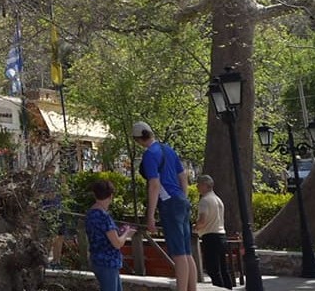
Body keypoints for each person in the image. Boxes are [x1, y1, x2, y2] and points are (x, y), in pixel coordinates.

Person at [135, 121, 196, 291]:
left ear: (138, 139)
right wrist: (182, 197)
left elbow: (154, 184)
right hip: (181, 201)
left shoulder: (149, 155)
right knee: (187, 252)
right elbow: (183, 176)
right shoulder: (168, 149)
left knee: (179, 254)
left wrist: (150, 216)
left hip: (169, 203)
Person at [84, 178, 139, 291]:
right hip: (107, 262)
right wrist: (127, 233)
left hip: (97, 260)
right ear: (110, 196)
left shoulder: (90, 213)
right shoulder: (104, 217)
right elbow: (117, 243)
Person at [193, 174, 235, 289]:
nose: (197, 187)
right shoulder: (218, 199)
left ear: (205, 185)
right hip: (222, 235)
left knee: (213, 270)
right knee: (223, 269)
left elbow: (202, 220)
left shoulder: (205, 200)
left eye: (199, 185)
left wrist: (195, 227)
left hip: (210, 237)